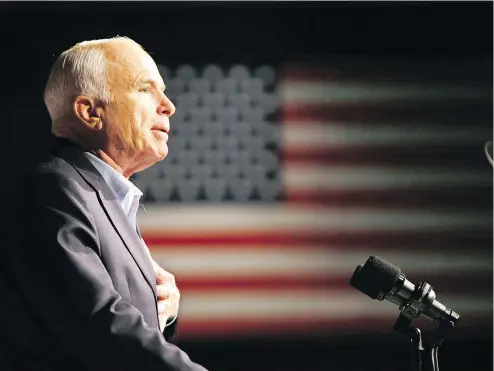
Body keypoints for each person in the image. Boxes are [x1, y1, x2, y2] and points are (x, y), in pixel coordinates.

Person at [0, 37, 208, 371]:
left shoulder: (106, 197)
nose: (168, 105)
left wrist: (164, 312)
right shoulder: (55, 190)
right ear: (90, 112)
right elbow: (101, 328)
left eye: (163, 90)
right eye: (145, 89)